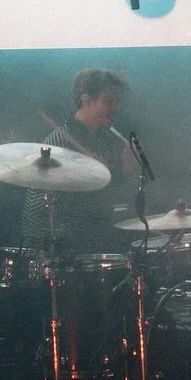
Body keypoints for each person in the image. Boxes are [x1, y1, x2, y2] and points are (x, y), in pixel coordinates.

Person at [20, 68, 135, 254]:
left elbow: (101, 200)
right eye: (109, 101)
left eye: (117, 102)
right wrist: (90, 177)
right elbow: (40, 215)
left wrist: (122, 172)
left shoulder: (103, 139)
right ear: (86, 100)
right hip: (58, 250)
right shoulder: (58, 144)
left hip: (92, 242)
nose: (115, 108)